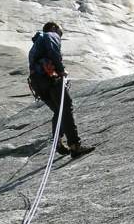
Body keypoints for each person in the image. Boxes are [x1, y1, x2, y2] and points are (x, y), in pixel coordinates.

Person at [28, 22, 94, 158]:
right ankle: (75, 146)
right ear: (53, 27)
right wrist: (61, 70)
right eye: (60, 32)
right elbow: (53, 51)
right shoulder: (50, 35)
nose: (60, 35)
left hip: (37, 83)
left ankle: (58, 143)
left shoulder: (35, 45)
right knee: (66, 107)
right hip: (50, 78)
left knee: (59, 111)